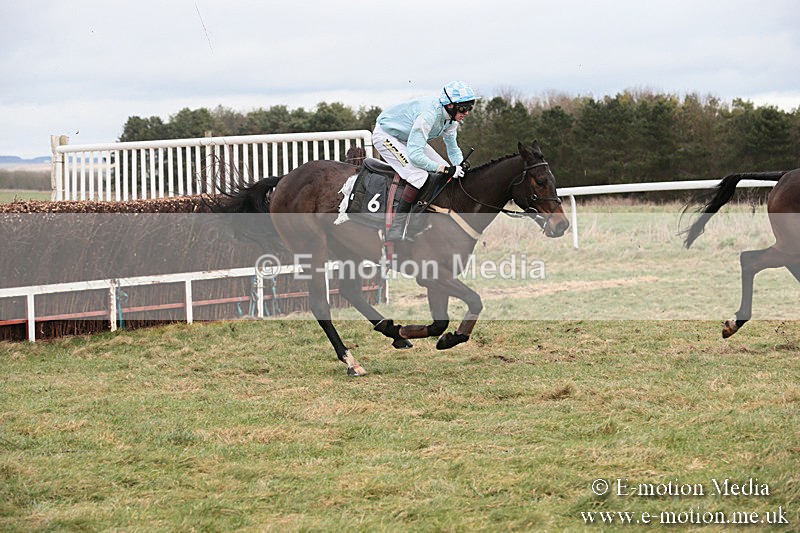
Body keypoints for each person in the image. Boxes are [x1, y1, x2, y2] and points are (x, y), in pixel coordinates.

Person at [372, 81, 478, 242]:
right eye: (464, 108)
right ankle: (396, 227)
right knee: (418, 176)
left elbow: (453, 148)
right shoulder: (428, 116)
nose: (467, 112)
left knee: (448, 170)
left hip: (407, 137)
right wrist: (445, 169)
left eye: (470, 107)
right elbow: (415, 157)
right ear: (450, 105)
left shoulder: (451, 121)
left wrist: (459, 165)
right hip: (386, 135)